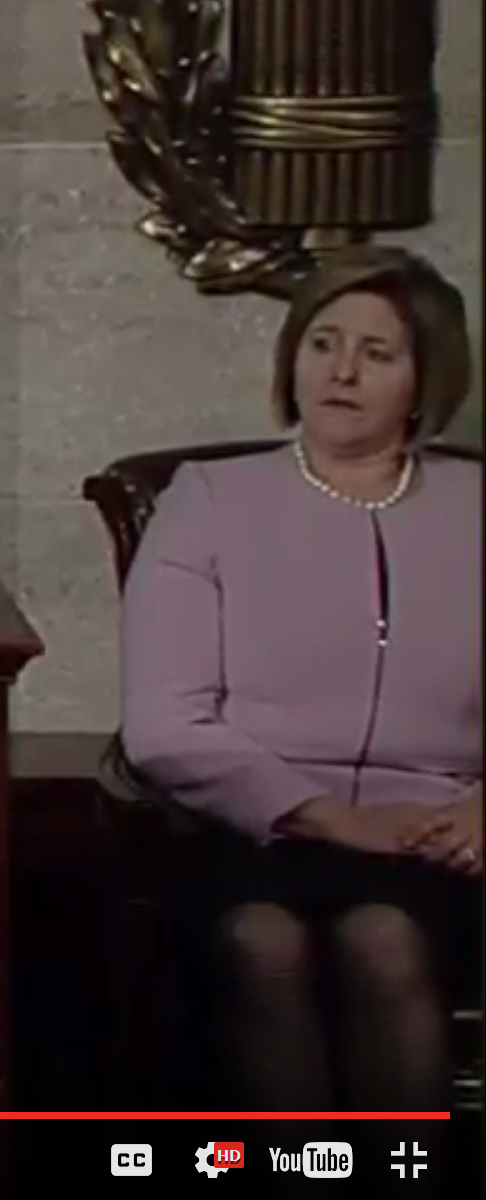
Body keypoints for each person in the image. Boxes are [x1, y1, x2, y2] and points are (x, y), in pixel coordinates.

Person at [119, 245, 482, 1112]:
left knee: (384, 940)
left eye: (377, 353)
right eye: (323, 343)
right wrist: (330, 817)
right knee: (260, 942)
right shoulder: (207, 499)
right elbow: (164, 725)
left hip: (440, 841)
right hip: (254, 832)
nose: (342, 371)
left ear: (425, 378)